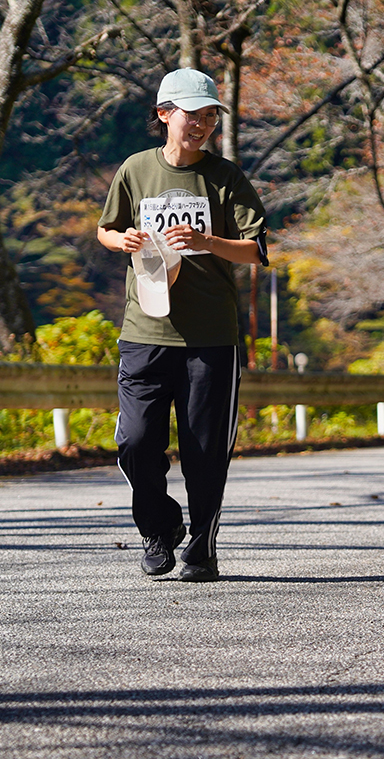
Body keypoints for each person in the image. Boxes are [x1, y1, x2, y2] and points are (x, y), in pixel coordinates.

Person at [97, 68, 268, 583]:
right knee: (135, 440)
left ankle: (202, 545)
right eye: (192, 115)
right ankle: (159, 528)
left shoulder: (226, 176)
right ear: (164, 114)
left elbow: (258, 250)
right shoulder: (135, 169)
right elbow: (105, 229)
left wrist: (209, 241)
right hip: (144, 330)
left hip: (210, 337)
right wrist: (121, 241)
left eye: (210, 116)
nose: (201, 125)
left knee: (203, 449)